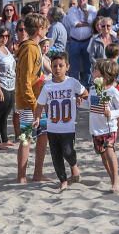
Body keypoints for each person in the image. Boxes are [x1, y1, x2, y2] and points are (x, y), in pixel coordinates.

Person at [34, 52, 88, 191]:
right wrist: (37, 118)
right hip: (52, 128)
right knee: (56, 155)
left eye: (61, 66)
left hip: (68, 127)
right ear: (50, 68)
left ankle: (74, 166)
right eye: (54, 66)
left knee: (68, 152)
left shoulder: (72, 82)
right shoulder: (47, 86)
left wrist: (81, 97)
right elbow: (40, 104)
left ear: (67, 67)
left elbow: (85, 93)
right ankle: (63, 180)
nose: (57, 68)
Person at [15, 12, 50, 184]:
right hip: (30, 103)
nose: (47, 30)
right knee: (26, 138)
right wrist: (34, 104)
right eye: (45, 27)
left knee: (43, 135)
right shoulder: (29, 48)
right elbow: (25, 80)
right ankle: (21, 176)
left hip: (38, 101)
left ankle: (37, 173)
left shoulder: (34, 47)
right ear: (38, 29)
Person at [88, 59, 119, 193]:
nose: (93, 73)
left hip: (109, 128)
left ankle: (116, 181)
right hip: (95, 129)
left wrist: (111, 113)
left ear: (104, 74)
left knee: (109, 150)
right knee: (103, 156)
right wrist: (78, 102)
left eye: (95, 70)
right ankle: (112, 179)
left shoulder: (113, 91)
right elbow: (90, 105)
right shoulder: (93, 90)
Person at [65, 0, 98, 87]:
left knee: (87, 65)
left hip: (87, 40)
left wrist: (86, 13)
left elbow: (93, 23)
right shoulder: (72, 9)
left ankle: (86, 87)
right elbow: (75, 24)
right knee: (74, 66)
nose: (81, 0)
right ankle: (74, 86)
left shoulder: (92, 9)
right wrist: (87, 23)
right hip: (74, 41)